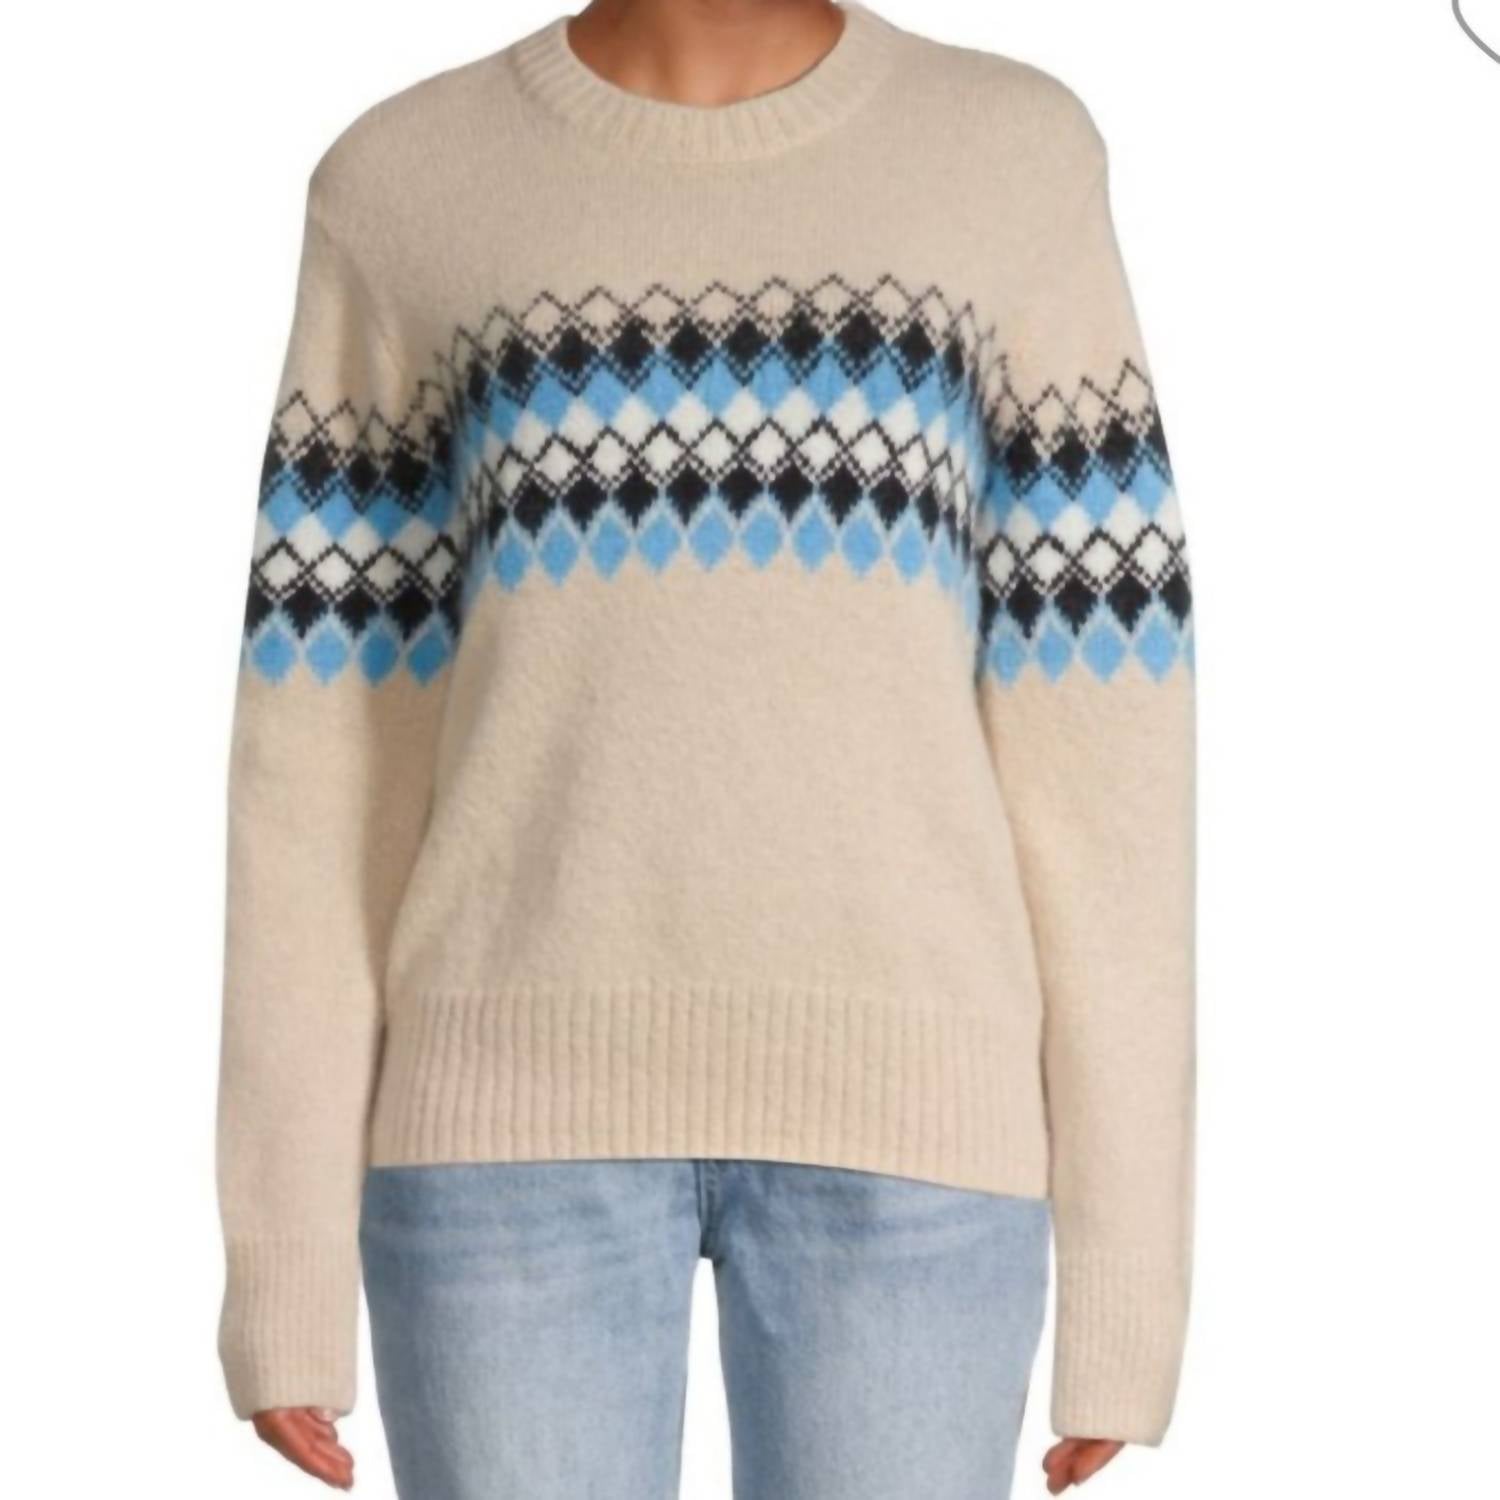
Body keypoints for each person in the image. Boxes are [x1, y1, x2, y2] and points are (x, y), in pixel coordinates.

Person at [213, 2, 1197, 1495]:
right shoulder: (402, 183)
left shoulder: (1010, 158)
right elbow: (318, 754)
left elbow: (1105, 742)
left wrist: (1130, 1273)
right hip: (500, 1130)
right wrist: (282, 1261)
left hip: (918, 1125)